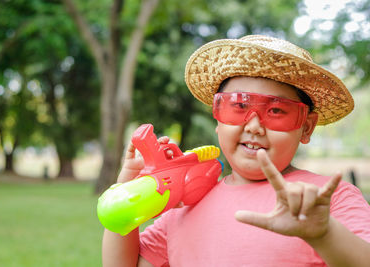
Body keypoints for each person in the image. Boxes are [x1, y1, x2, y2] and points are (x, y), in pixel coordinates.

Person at [101, 35, 370, 266]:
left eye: (276, 111)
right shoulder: (187, 202)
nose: (254, 125)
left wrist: (325, 235)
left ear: (306, 128)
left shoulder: (326, 200)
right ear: (217, 119)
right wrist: (125, 190)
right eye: (238, 107)